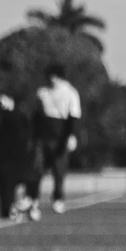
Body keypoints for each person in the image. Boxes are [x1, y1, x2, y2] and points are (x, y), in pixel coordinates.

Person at [33, 61, 82, 211]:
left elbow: (73, 116)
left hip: (60, 136)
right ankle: (33, 198)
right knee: (37, 168)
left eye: (54, 76)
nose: (51, 79)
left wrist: (72, 136)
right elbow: (36, 115)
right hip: (43, 136)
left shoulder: (70, 93)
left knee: (59, 170)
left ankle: (58, 198)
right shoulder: (42, 92)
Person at [0, 90, 34, 221]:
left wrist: (9, 109)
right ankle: (6, 210)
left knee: (17, 183)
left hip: (17, 156)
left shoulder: (18, 116)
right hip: (2, 156)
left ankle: (18, 207)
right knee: (3, 185)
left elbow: (22, 132)